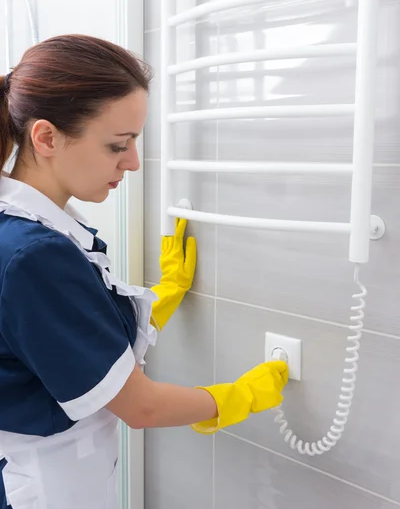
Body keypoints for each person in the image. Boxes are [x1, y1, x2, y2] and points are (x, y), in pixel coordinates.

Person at [0, 34, 288, 509]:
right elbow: (140, 405)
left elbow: (73, 342)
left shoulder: (32, 230)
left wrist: (163, 295)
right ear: (46, 137)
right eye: (118, 145)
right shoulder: (32, 254)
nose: (132, 162)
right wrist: (238, 397)